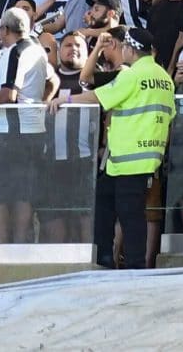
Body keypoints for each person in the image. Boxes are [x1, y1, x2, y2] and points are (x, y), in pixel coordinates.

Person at [57, 25, 174, 268]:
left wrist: (65, 99)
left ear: (130, 49)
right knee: (105, 200)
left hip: (129, 156)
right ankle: (106, 257)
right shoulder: (164, 77)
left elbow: (97, 96)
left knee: (130, 216)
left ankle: (134, 266)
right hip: (143, 156)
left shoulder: (131, 75)